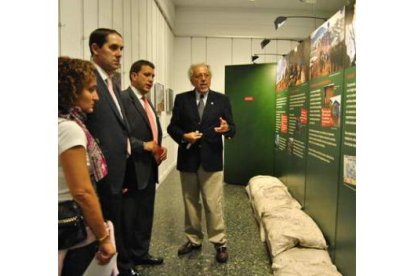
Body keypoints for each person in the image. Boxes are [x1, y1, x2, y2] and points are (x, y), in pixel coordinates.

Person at [167, 63, 236, 263]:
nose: (203, 79)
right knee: (190, 203)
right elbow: (172, 127)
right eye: (198, 76)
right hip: (188, 159)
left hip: (211, 160)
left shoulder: (221, 100)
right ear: (192, 80)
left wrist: (226, 129)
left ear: (211, 78)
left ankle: (219, 242)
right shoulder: (182, 99)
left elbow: (233, 128)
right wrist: (184, 136)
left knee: (213, 203)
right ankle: (193, 239)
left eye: (206, 75)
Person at [86, 28, 138, 276]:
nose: (119, 54)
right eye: (113, 48)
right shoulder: (87, 81)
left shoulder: (112, 83)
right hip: (101, 172)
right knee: (104, 228)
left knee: (116, 223)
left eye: (121, 49)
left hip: (118, 170)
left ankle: (120, 268)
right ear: (95, 48)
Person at [58, 57, 116, 275]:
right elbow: (82, 192)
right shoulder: (69, 129)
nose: (96, 96)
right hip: (72, 230)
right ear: (71, 90)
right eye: (91, 89)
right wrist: (104, 238)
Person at [120, 60, 167, 267]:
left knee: (145, 216)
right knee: (129, 219)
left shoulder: (146, 102)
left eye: (152, 76)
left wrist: (159, 147)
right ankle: (127, 262)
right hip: (131, 171)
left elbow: (152, 132)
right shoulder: (123, 99)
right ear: (133, 75)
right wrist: (143, 146)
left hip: (150, 169)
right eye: (146, 75)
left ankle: (141, 253)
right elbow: (117, 137)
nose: (150, 79)